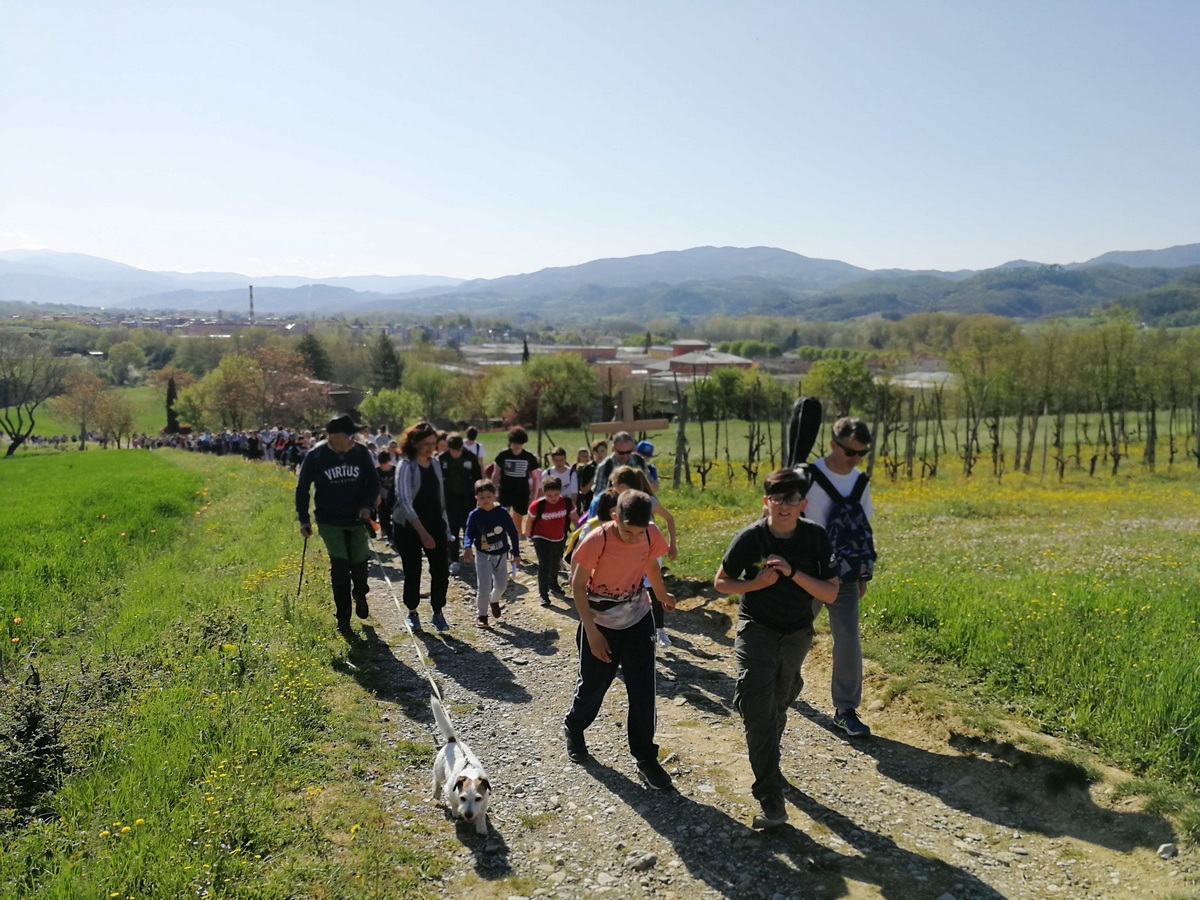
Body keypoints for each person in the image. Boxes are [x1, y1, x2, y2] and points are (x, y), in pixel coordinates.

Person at [713, 467, 839, 829]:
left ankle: (770, 751)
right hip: (757, 629)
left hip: (797, 633)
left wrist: (791, 573)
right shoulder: (750, 538)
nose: (784, 506)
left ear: (804, 504)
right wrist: (756, 582)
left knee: (778, 703)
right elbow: (721, 583)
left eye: (792, 500)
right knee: (755, 707)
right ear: (766, 502)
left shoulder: (815, 538)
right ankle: (770, 797)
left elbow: (830, 592)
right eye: (777, 499)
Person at [563, 490, 676, 791]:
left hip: (638, 618)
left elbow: (651, 565)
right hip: (600, 624)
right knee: (594, 686)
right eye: (628, 531)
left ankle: (645, 757)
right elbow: (576, 586)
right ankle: (574, 727)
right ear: (615, 517)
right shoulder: (596, 540)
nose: (633, 538)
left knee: (643, 691)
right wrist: (592, 631)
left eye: (640, 532)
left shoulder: (650, 535)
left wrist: (662, 595)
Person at [802, 417, 877, 738]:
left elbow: (863, 532)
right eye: (850, 451)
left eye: (861, 453)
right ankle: (781, 683)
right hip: (805, 573)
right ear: (833, 443)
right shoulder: (805, 476)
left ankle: (846, 709)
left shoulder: (860, 481)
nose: (855, 458)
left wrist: (863, 575)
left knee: (848, 640)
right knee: (795, 635)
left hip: (844, 575)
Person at [294, 414, 381, 634]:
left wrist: (367, 506)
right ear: (334, 436)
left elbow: (373, 483)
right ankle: (343, 619)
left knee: (360, 565)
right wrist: (304, 519)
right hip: (329, 520)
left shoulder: (361, 453)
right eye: (350, 434)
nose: (354, 438)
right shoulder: (316, 456)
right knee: (340, 568)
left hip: (357, 519)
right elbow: (302, 488)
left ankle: (360, 594)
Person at [392, 422, 452, 632]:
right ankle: (412, 611)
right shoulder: (406, 466)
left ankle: (438, 611)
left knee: (441, 570)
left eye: (433, 444)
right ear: (414, 443)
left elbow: (440, 498)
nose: (430, 448)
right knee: (413, 570)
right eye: (426, 444)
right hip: (409, 527)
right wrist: (423, 533)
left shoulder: (435, 464)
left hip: (434, 523)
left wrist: (445, 527)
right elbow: (405, 502)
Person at [463, 479, 521, 629]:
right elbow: (468, 533)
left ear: (495, 496)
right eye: (482, 498)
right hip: (483, 556)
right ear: (476, 498)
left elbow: (513, 533)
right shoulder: (474, 515)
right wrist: (467, 546)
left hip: (501, 555)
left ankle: (494, 600)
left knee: (502, 585)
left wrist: (516, 553)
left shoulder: (502, 513)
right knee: (484, 586)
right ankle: (482, 615)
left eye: (488, 497)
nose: (486, 500)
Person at [525, 474, 577, 606]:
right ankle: (543, 594)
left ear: (560, 492)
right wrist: (528, 534)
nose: (553, 498)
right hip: (540, 537)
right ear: (544, 493)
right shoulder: (538, 505)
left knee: (555, 562)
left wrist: (580, 531)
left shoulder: (566, 503)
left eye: (555, 494)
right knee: (544, 564)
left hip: (559, 537)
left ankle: (553, 584)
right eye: (549, 495)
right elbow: (530, 520)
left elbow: (575, 518)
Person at [439, 433, 483, 573]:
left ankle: (469, 555)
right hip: (450, 501)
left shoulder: (470, 457)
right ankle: (454, 559)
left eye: (458, 450)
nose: (455, 453)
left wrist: (479, 498)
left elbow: (478, 478)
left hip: (467, 500)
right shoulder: (442, 459)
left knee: (469, 529)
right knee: (452, 530)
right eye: (453, 450)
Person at [487, 427, 541, 534]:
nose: (517, 446)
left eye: (519, 443)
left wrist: (534, 496)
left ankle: (516, 544)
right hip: (505, 491)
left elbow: (535, 477)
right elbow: (496, 474)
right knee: (501, 518)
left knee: (517, 520)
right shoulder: (503, 455)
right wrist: (492, 491)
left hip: (521, 492)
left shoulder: (528, 456)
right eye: (515, 443)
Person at [590, 431, 643, 501]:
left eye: (628, 452)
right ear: (613, 449)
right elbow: (598, 495)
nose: (625, 456)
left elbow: (649, 488)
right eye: (621, 453)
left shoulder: (639, 462)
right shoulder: (604, 467)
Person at [574, 440, 606, 516]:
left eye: (602, 451)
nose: (600, 454)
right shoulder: (588, 468)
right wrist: (596, 478)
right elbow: (583, 490)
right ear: (593, 452)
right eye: (597, 451)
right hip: (590, 504)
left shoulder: (609, 465)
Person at [376, 450, 397, 544]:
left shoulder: (395, 470)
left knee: (396, 517)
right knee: (385, 517)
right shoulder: (377, 471)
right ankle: (389, 536)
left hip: (395, 497)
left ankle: (396, 535)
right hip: (382, 498)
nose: (384, 465)